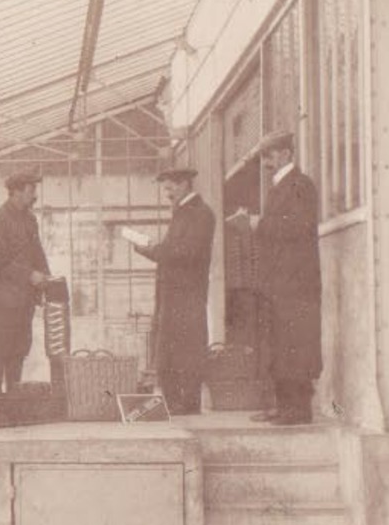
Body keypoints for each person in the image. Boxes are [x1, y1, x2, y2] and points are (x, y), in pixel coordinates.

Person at [229, 130, 322, 425]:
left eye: (269, 154)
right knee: (281, 344)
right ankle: (284, 406)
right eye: (263, 155)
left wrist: (257, 223)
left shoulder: (299, 185)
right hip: (280, 280)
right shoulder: (281, 186)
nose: (265, 160)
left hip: (295, 281)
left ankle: (298, 409)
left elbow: (297, 228)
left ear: (285, 153)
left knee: (295, 343)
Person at [130, 167, 215, 415]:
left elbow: (185, 253)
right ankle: (177, 402)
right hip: (177, 293)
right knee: (175, 347)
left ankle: (184, 403)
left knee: (184, 348)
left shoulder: (199, 214)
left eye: (170, 188)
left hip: (186, 294)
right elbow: (175, 250)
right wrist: (154, 248)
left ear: (185, 184)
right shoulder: (186, 213)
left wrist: (149, 249)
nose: (167, 194)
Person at [0, 171, 51, 395]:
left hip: (23, 298)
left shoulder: (30, 219)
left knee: (19, 348)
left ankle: (12, 397)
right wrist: (30, 275)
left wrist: (46, 278)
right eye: (31, 191)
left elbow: (37, 251)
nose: (35, 196)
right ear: (16, 192)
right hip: (0, 297)